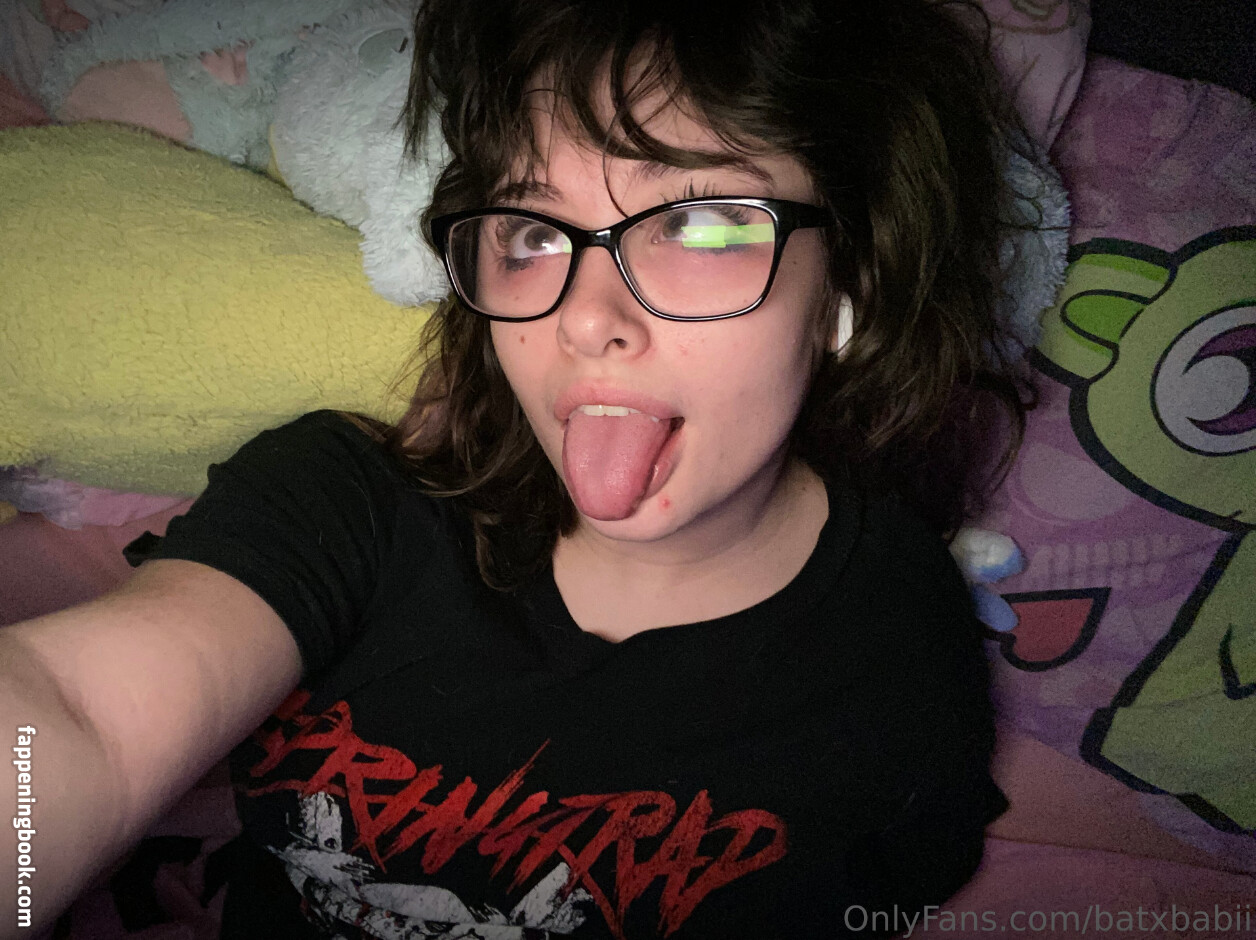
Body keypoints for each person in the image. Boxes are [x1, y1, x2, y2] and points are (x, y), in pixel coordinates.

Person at [1, 0, 1032, 936]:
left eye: (698, 221)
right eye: (534, 232)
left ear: (851, 276)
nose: (583, 317)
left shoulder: (897, 657)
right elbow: (76, 720)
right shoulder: (345, 503)